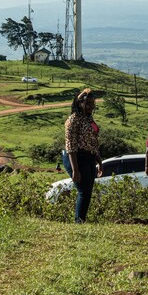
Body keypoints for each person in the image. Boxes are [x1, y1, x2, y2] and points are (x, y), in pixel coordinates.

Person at [63, 89, 103, 223]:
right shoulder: (73, 120)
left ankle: (82, 220)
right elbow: (71, 146)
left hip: (89, 157)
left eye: (92, 103)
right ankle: (79, 222)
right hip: (76, 158)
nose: (90, 106)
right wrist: (75, 170)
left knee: (88, 192)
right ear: (79, 103)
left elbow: (92, 141)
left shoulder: (88, 118)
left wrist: (98, 160)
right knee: (83, 191)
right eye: (87, 104)